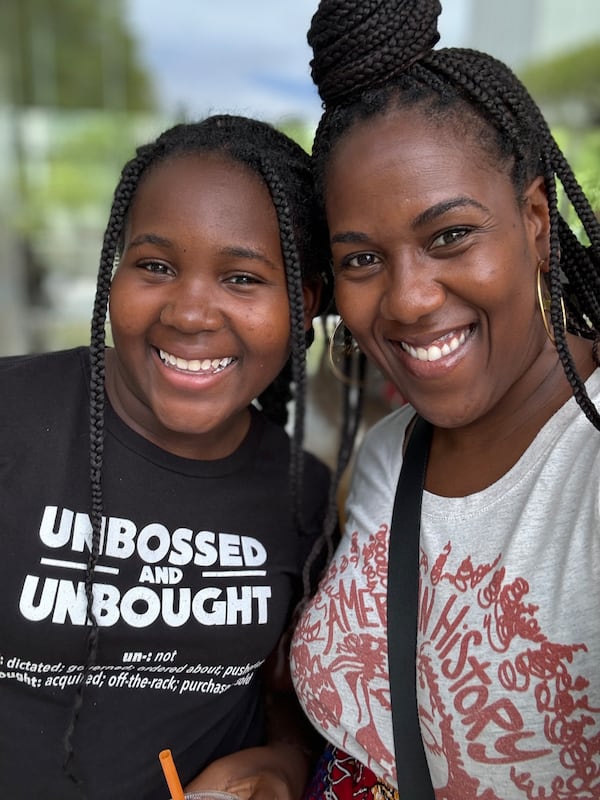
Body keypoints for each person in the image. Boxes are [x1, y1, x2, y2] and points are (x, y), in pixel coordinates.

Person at [290, 1, 600, 798]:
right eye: (361, 259)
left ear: (535, 220)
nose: (409, 300)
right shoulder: (390, 450)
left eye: (450, 236)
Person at [0, 114, 334, 799]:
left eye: (242, 278)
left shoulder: (306, 496)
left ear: (303, 307)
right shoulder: (12, 416)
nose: (189, 313)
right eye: (155, 266)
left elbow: (284, 697)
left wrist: (285, 761)